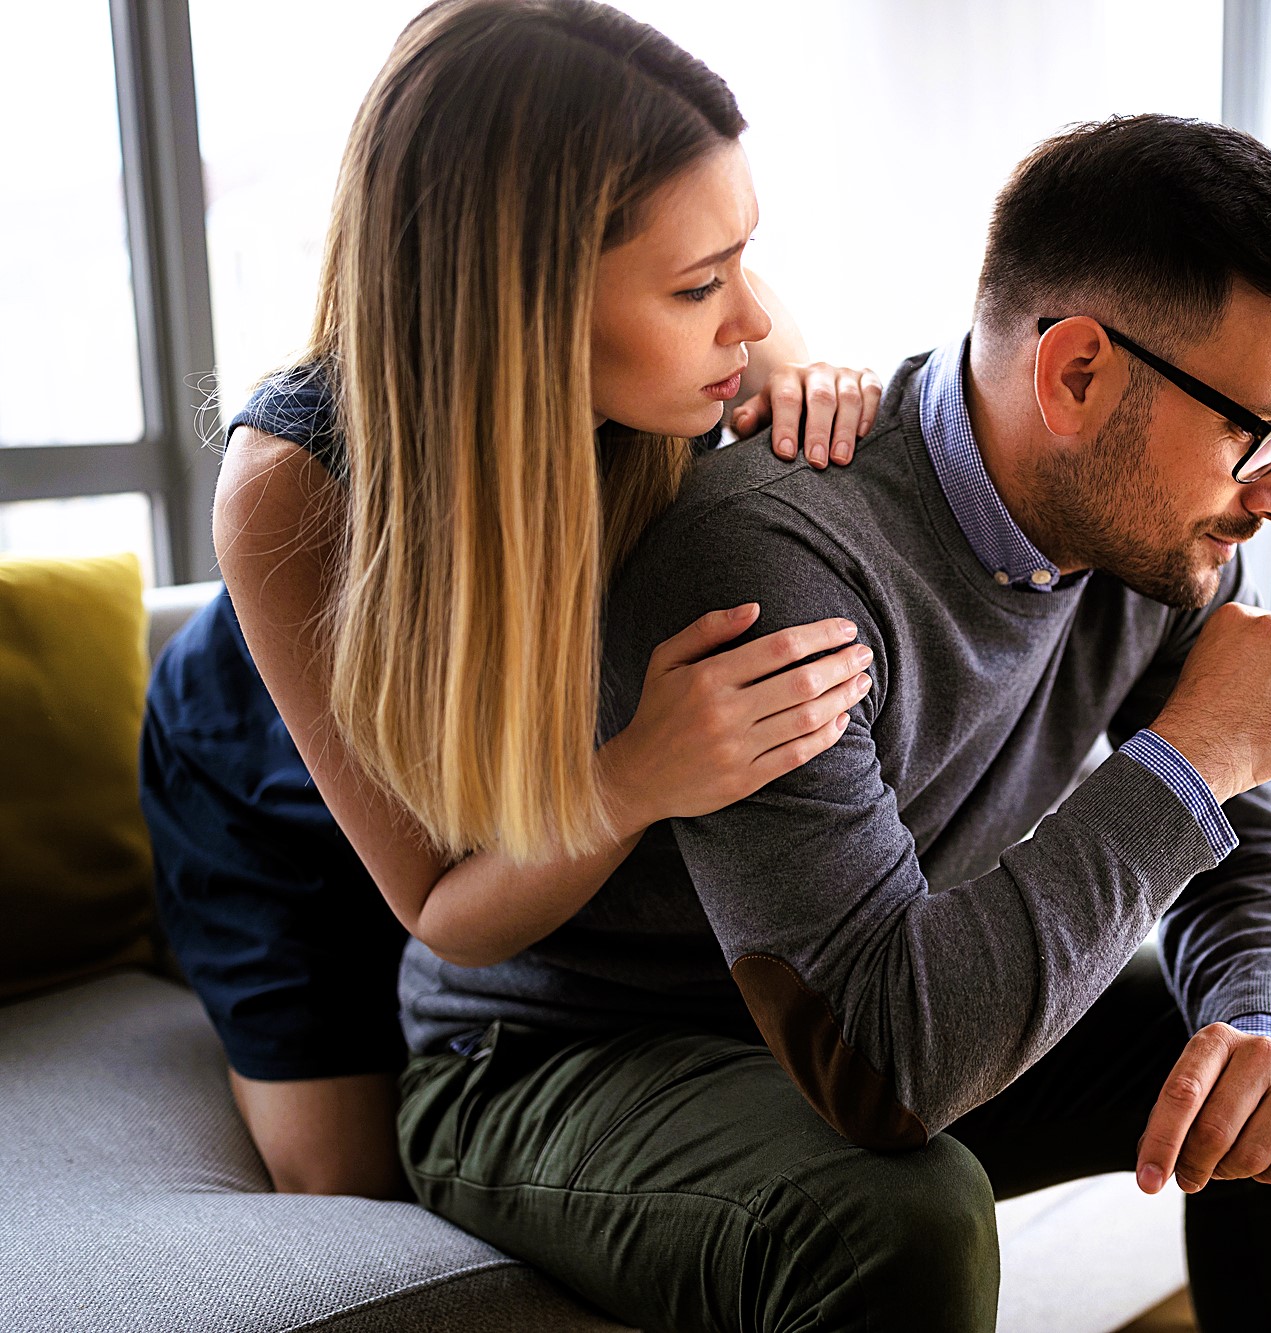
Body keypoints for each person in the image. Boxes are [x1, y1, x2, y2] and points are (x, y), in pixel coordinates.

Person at [399, 110, 1271, 1331]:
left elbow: (1252, 855)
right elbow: (878, 1065)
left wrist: (1268, 1014)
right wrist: (1192, 759)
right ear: (1076, 373)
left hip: (861, 992)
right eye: (1255, 434)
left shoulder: (1158, 545)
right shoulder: (774, 558)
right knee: (905, 1215)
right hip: (567, 1057)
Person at [138, 0, 886, 1202]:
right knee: (352, 1198)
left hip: (511, 755)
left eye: (743, 254)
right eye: (701, 283)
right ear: (521, 303)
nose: (754, 318)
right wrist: (639, 774)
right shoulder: (290, 486)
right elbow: (445, 904)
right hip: (278, 794)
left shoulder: (735, 343)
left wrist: (840, 398)